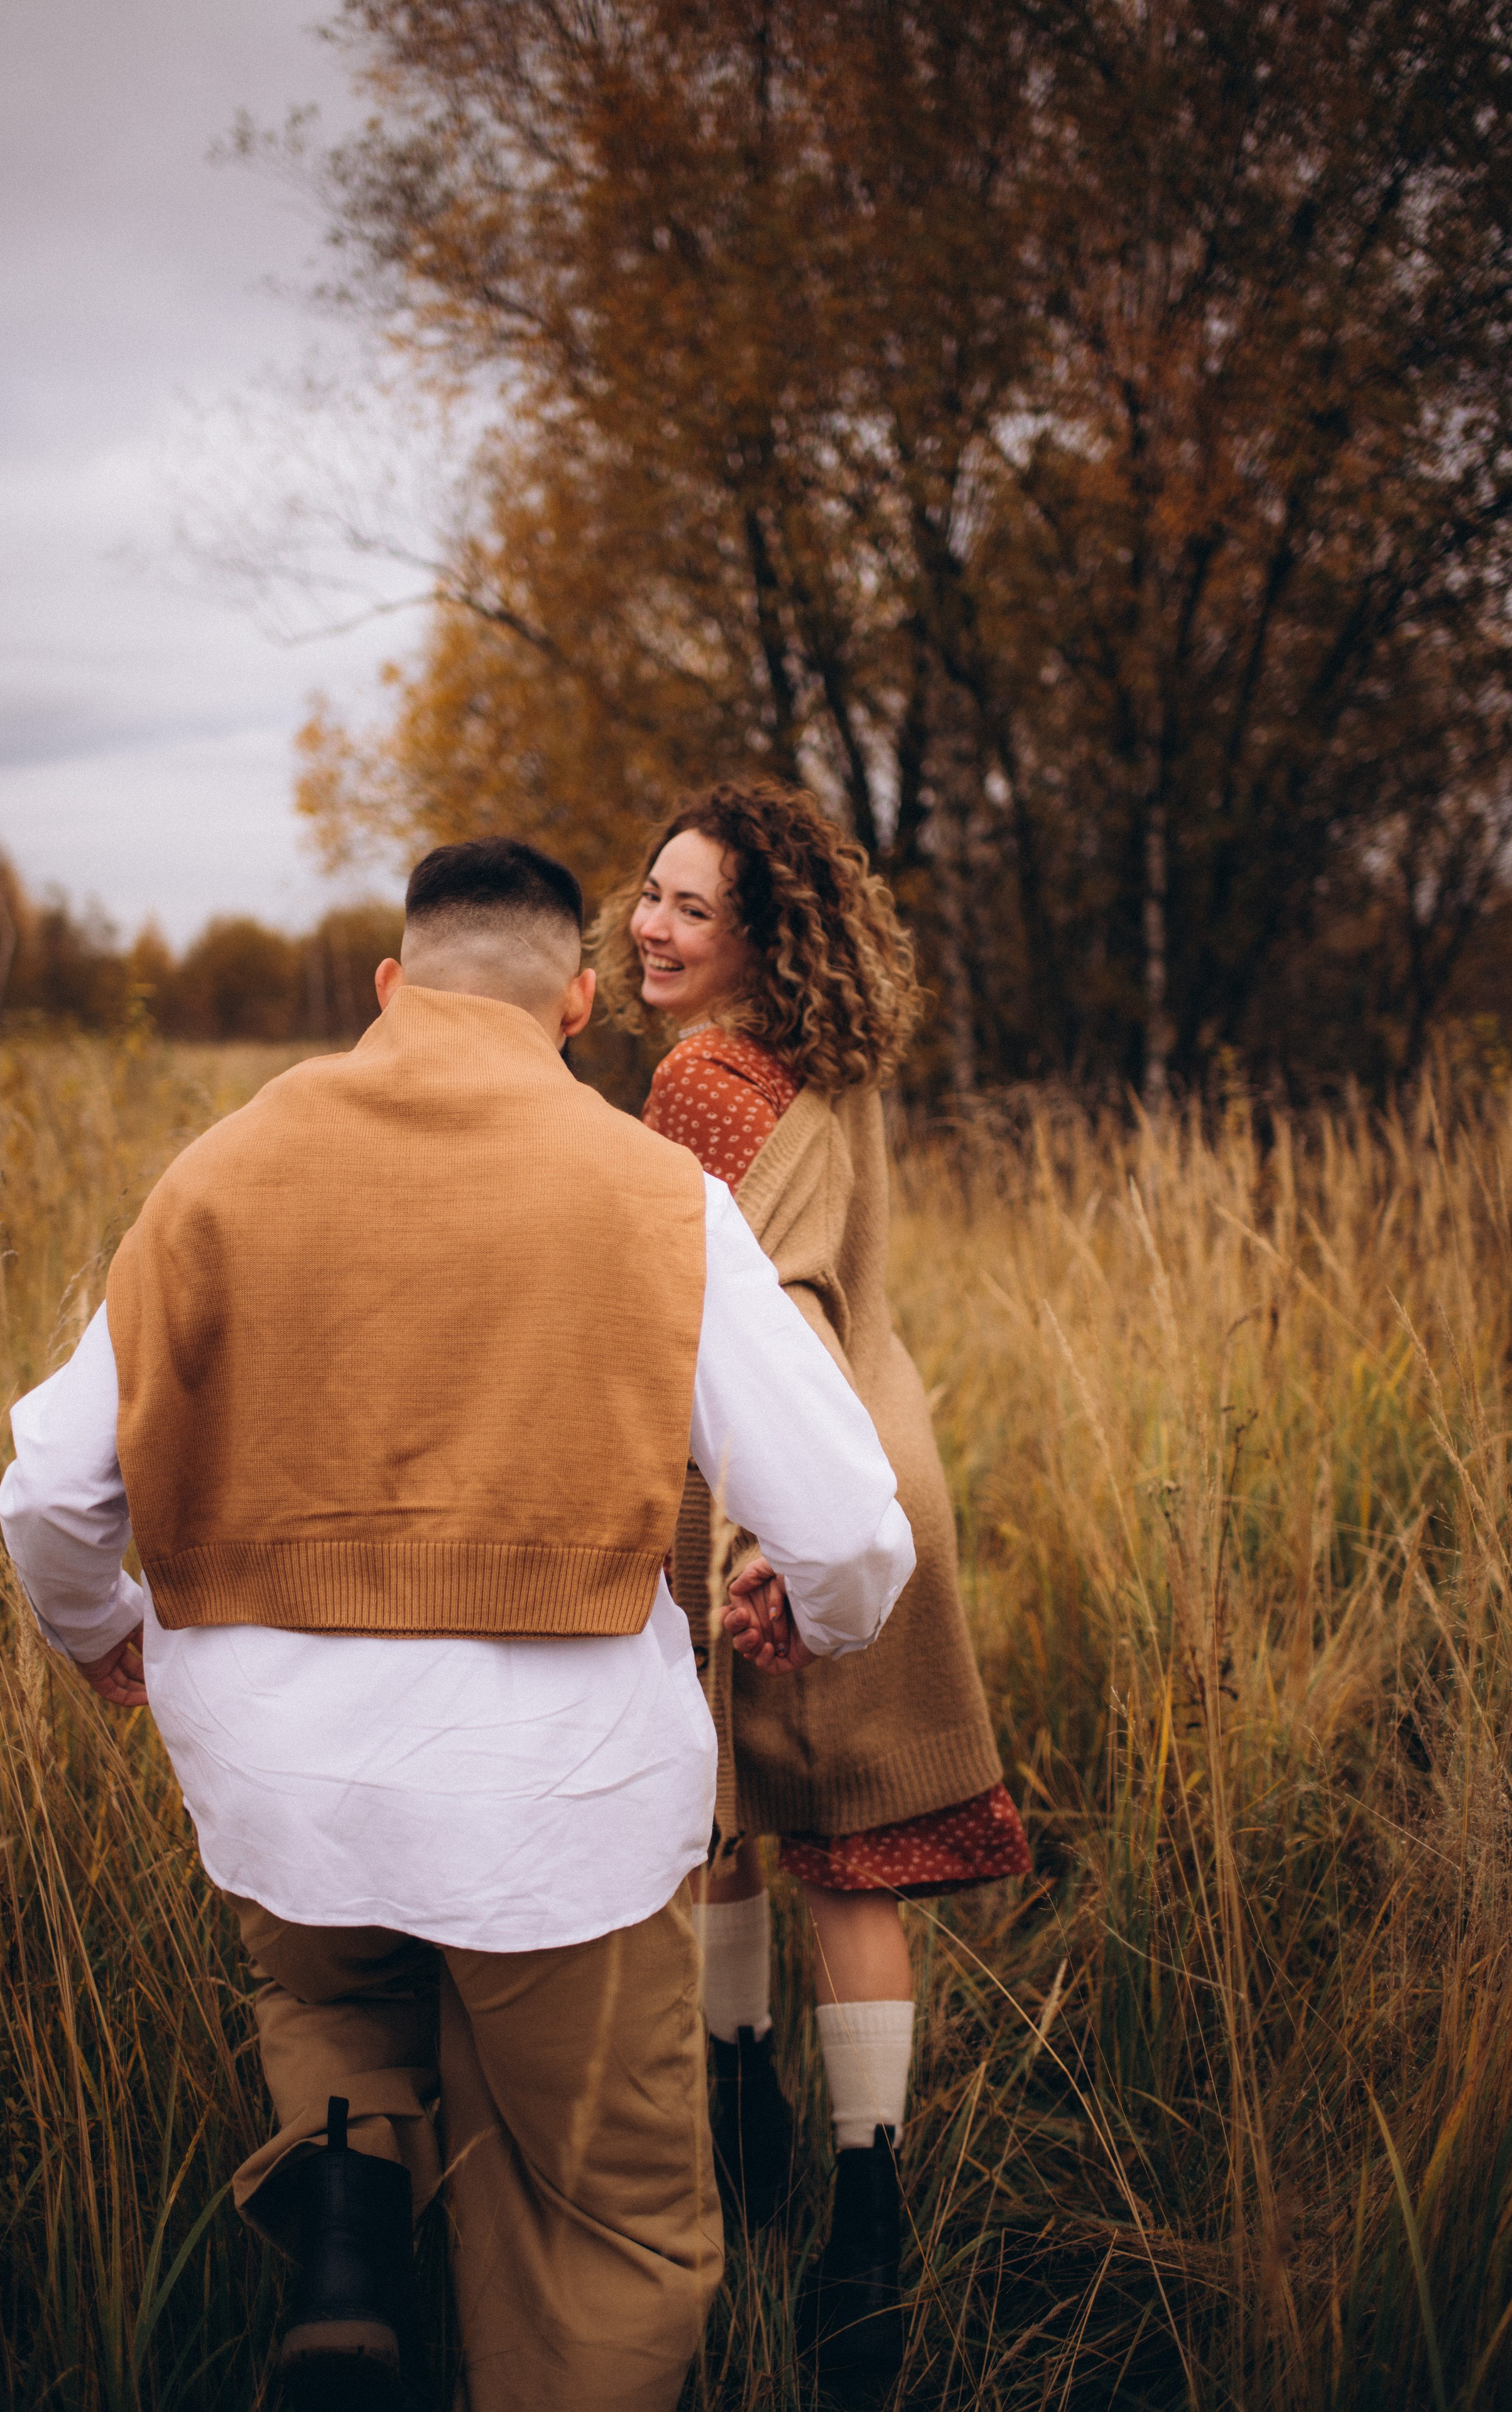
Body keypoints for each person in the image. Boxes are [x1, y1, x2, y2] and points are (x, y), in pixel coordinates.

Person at [0, 837, 918, 2412]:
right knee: (602, 2209)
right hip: (556, 1802)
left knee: (334, 1995)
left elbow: (49, 1490)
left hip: (279, 1776)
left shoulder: (216, 1170)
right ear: (574, 1003)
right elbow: (842, 1523)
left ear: (387, 983)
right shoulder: (655, 1197)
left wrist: (98, 1629)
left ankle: (349, 2228)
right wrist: (823, 1621)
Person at [595, 777, 1033, 2393]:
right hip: (875, 1458)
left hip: (765, 1482)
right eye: (648, 893)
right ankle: (866, 2211)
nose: (649, 925)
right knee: (849, 1858)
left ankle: (737, 2111)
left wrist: (747, 1528)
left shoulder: (699, 1079)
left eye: (690, 907)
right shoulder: (834, 1069)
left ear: (758, 938)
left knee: (711, 1807)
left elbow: (676, 1309)